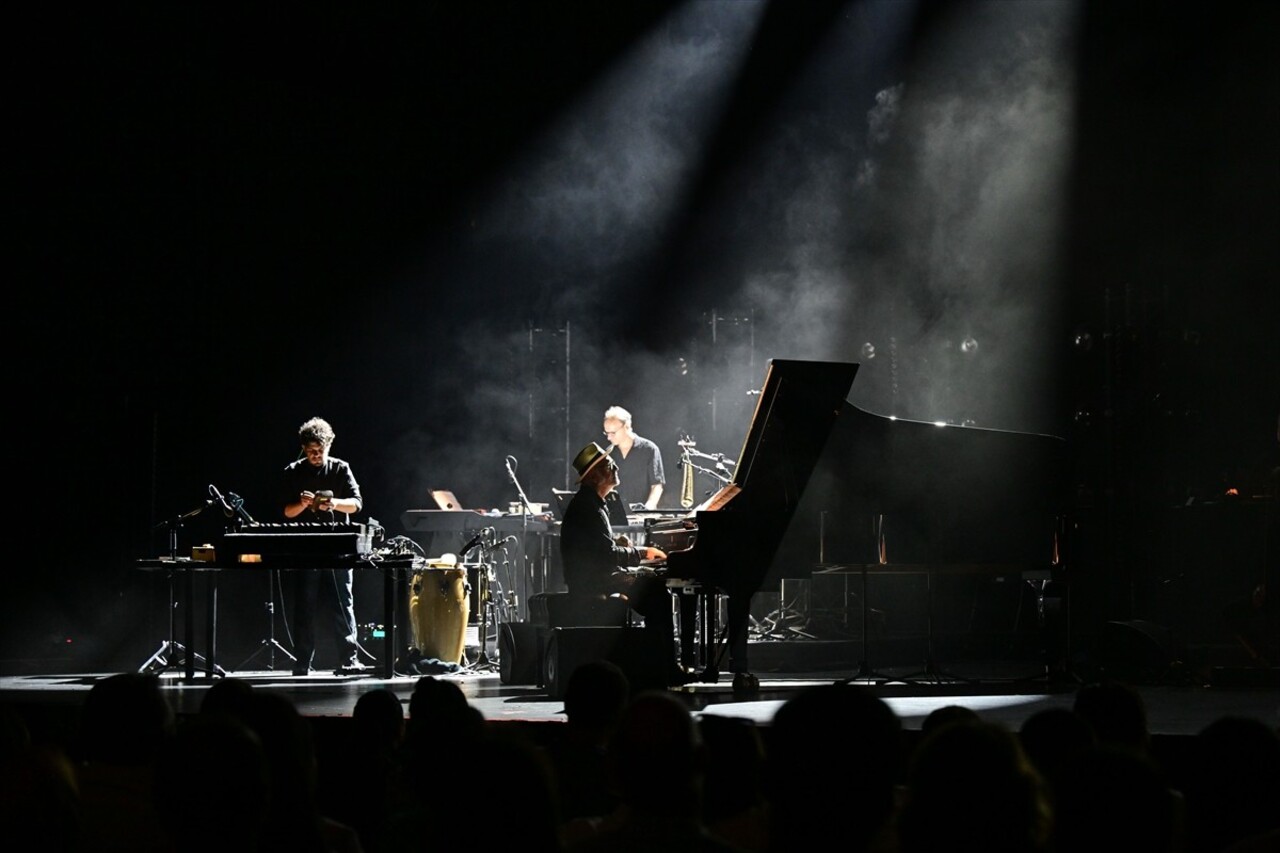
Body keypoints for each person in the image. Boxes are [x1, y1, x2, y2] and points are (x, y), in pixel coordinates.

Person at [560, 442, 693, 683]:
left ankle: (660, 665)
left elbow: (598, 548)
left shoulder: (591, 502)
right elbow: (605, 555)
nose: (616, 468)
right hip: (595, 582)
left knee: (652, 585)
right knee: (656, 593)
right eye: (610, 465)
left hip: (598, 576)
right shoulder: (588, 506)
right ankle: (664, 668)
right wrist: (644, 552)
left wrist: (620, 544)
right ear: (597, 475)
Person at [282, 416, 369, 676]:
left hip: (338, 546)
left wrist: (334, 504)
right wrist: (302, 504)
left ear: (328, 446)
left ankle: (348, 660)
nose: (315, 456)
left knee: (343, 604)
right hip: (306, 546)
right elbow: (287, 512)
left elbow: (357, 504)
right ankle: (302, 662)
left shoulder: (341, 469)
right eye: (310, 452)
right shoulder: (293, 471)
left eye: (319, 451)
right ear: (304, 449)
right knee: (304, 606)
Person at [602, 406, 665, 510]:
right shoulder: (608, 454)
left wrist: (647, 508)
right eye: (606, 433)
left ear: (626, 426)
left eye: (613, 433)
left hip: (641, 516)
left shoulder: (649, 449)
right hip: (616, 515)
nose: (609, 437)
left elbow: (657, 485)